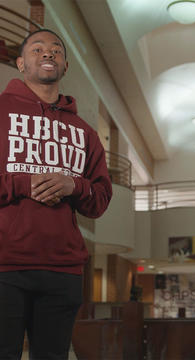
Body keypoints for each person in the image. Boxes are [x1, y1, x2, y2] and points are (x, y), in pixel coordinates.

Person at [0, 29, 112, 359]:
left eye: (56, 50)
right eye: (37, 49)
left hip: (63, 270)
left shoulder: (86, 133)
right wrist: (24, 182)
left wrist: (73, 185)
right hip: (4, 265)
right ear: (20, 63)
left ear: (65, 65)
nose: (48, 53)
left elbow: (101, 199)